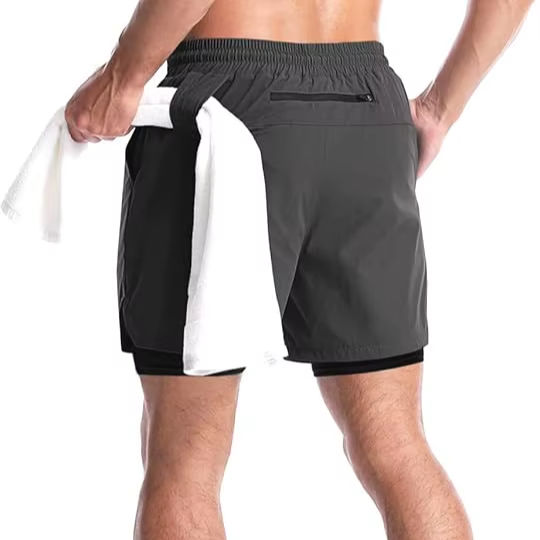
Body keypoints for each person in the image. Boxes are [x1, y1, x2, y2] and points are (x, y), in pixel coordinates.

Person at [64, 1, 534, 538]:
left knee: (184, 456)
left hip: (229, 108)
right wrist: (438, 108)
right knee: (395, 441)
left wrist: (123, 77)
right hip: (368, 110)